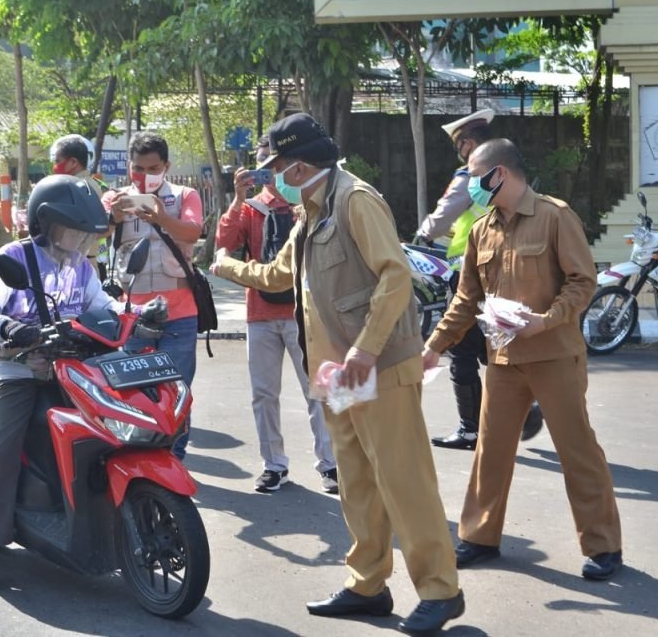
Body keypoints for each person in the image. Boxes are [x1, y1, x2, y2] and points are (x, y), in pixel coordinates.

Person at [211, 113, 464, 634]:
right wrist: (226, 265)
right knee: (356, 483)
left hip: (378, 367)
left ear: (299, 165)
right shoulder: (311, 210)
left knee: (404, 480)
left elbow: (396, 276)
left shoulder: (355, 200)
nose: (271, 176)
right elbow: (280, 275)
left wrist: (367, 350)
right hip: (336, 376)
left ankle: (441, 590)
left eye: (275, 166)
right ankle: (368, 584)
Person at [422, 139, 623, 581]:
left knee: (577, 449)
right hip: (504, 360)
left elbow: (582, 282)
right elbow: (465, 300)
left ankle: (603, 545)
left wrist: (545, 320)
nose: (470, 184)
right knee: (490, 451)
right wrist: (434, 346)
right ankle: (479, 537)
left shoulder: (555, 216)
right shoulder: (481, 230)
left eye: (476, 175)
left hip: (554, 354)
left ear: (501, 174)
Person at [0, 174, 120, 591]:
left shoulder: (82, 266)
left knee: (112, 432)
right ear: (45, 224)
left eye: (87, 235)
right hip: (16, 369)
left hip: (71, 367)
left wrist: (137, 313)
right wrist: (11, 329)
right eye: (74, 232)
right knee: (0, 451)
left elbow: (102, 306)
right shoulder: (12, 257)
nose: (81, 242)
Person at [414, 109, 543, 450]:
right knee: (494, 343)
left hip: (471, 271)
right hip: (507, 268)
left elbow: (442, 218)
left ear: (468, 144)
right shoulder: (513, 174)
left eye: (461, 147)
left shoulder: (469, 178)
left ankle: (472, 429)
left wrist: (423, 234)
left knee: (462, 350)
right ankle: (527, 404)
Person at [216, 136, 338, 494]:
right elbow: (225, 241)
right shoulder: (254, 205)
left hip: (305, 311)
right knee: (264, 393)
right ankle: (274, 465)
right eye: (265, 166)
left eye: (276, 164)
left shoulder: (308, 200)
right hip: (260, 311)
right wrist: (237, 198)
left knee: (316, 390)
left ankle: (329, 464)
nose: (273, 173)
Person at [101, 132, 203, 460]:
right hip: (132, 315)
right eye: (138, 169)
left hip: (180, 313)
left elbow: (193, 231)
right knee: (134, 393)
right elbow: (93, 235)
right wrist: (113, 218)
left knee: (177, 391)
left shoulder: (185, 195)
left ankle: (174, 459)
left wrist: (160, 216)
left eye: (153, 168)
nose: (144, 176)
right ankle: (143, 460)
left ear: (166, 166)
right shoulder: (115, 198)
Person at [50, 134, 111, 279]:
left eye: (58, 161)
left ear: (73, 162)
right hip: (84, 263)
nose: (54, 166)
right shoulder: (89, 184)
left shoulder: (77, 188)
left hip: (75, 267)